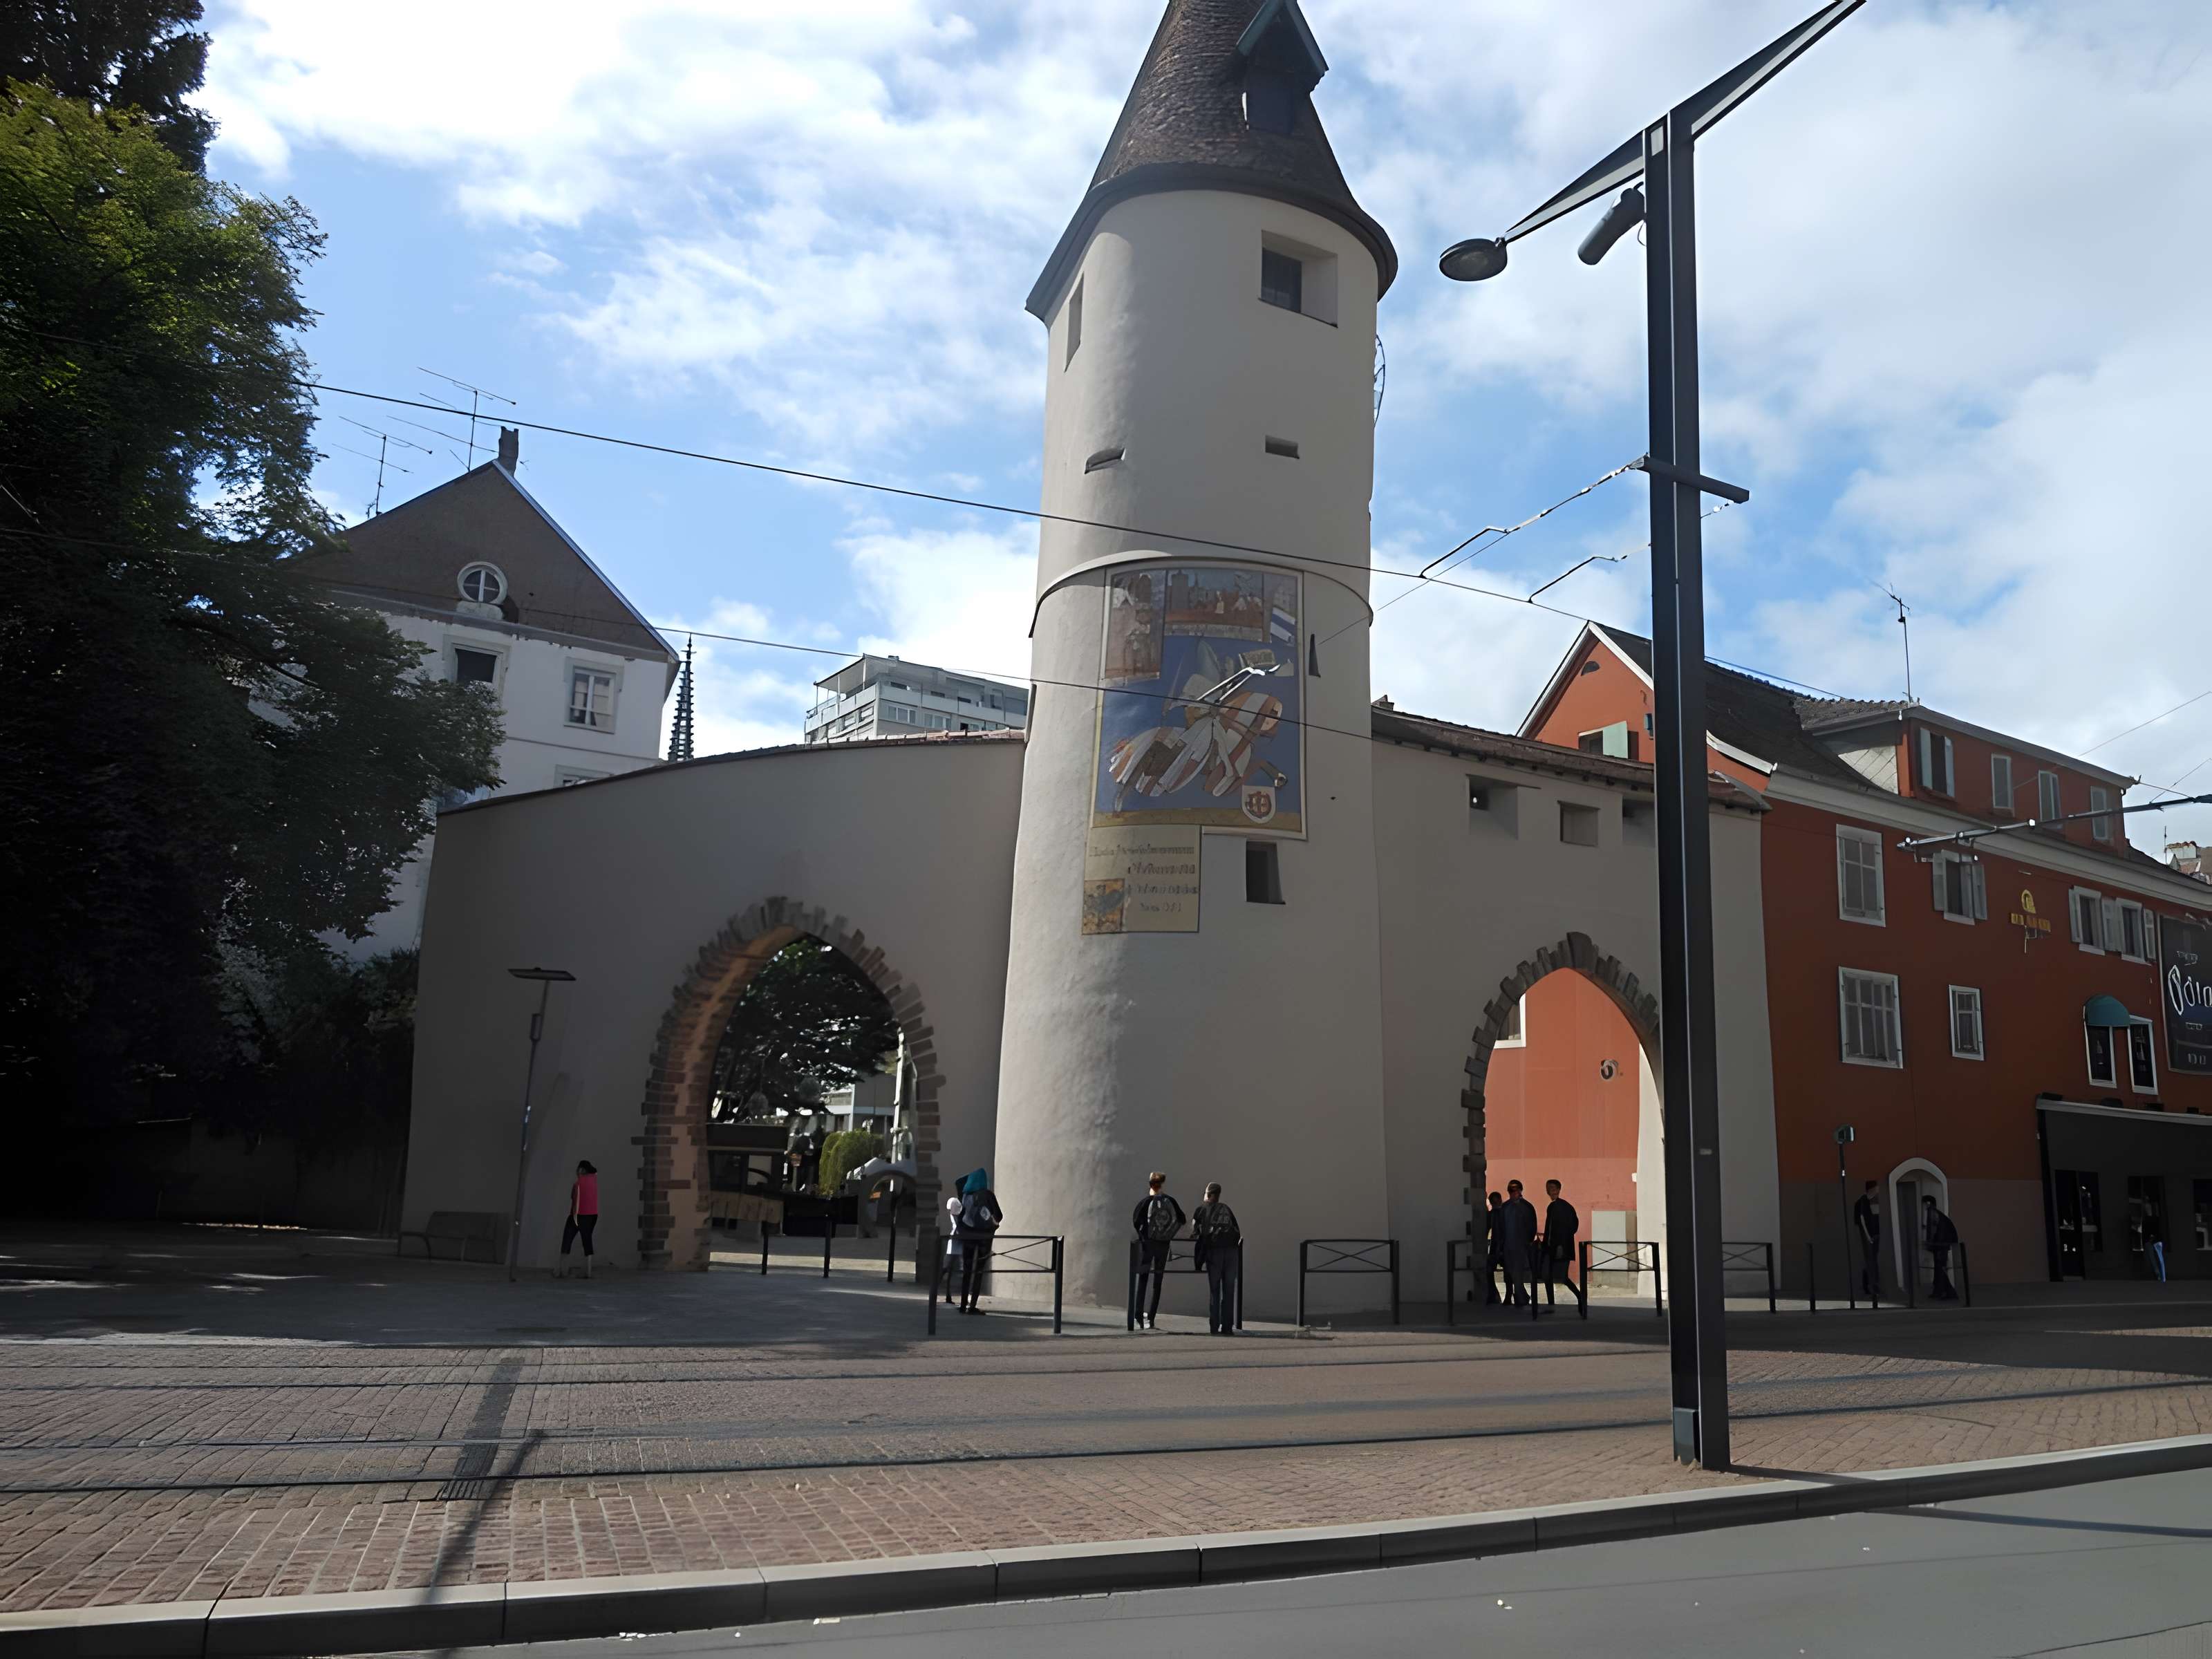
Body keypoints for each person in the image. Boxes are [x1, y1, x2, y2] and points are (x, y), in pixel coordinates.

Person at [1132, 1172, 1185, 1330]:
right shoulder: (1171, 1201)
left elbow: (1136, 1221)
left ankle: (1138, 1316)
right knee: (1158, 1282)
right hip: (1163, 1245)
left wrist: (1144, 1236)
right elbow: (1181, 1219)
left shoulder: (1145, 1202)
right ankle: (1152, 1317)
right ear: (1162, 1184)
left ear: (1150, 1185)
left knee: (1143, 1279)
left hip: (1148, 1245)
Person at [1192, 1182, 1241, 1334]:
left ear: (1209, 1194)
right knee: (1229, 1290)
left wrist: (1198, 1261)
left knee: (1215, 1290)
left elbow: (1195, 1231)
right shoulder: (1226, 1209)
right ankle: (1227, 1327)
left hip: (1215, 1253)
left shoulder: (1201, 1210)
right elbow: (1237, 1231)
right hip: (1232, 1253)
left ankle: (1214, 1326)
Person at [950, 1168, 1001, 1314]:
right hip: (984, 1238)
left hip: (968, 1237)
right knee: (979, 1271)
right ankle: (972, 1306)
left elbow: (961, 1217)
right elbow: (999, 1215)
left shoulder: (965, 1196)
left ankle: (962, 1305)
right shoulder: (988, 1195)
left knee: (967, 1271)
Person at [1496, 1180, 1539, 1307]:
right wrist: (1500, 1246)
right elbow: (1501, 1228)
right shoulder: (1505, 1207)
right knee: (1509, 1272)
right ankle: (1517, 1296)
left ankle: (1520, 1297)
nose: (1513, 1193)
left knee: (1518, 1273)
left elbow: (1532, 1226)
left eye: (1515, 1190)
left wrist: (1528, 1242)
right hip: (1508, 1245)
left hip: (1521, 1246)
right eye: (1511, 1190)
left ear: (1520, 1190)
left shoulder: (1527, 1207)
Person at [1539, 1179, 1580, 1313]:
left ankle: (1580, 1297)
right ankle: (1553, 1304)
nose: (1550, 1190)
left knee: (1560, 1277)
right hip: (1554, 1248)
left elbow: (1561, 1229)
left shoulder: (1559, 1207)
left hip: (1558, 1248)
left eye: (1552, 1188)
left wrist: (1560, 1246)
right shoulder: (1562, 1206)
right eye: (1548, 1188)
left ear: (1558, 1189)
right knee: (1550, 1276)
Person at [560, 1160, 598, 1279]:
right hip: (592, 1215)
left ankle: (563, 1271)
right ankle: (588, 1271)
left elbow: (573, 1199)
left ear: (581, 1170)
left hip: (577, 1216)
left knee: (567, 1240)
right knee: (587, 1242)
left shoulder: (577, 1184)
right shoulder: (594, 1181)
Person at [1922, 1195, 1959, 1300]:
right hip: (1942, 1246)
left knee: (1940, 1270)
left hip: (1941, 1247)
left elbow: (1936, 1231)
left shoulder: (1933, 1213)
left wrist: (1933, 1245)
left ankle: (1943, 1292)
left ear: (1928, 1204)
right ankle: (1947, 1293)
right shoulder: (1938, 1214)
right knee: (1940, 1270)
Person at [1852, 1180, 1882, 1301]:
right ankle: (1871, 1287)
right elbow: (1862, 1220)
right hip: (1869, 1236)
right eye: (1876, 1188)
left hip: (1874, 1236)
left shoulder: (1871, 1201)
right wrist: (1868, 1236)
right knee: (1870, 1262)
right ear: (1872, 1189)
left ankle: (1869, 1286)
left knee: (1871, 1261)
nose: (1878, 1190)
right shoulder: (1863, 1202)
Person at [1482, 1190, 1505, 1306]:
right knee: (1511, 1274)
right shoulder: (1506, 1213)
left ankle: (1493, 1295)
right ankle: (1514, 1296)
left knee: (1489, 1272)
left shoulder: (1490, 1215)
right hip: (1505, 1247)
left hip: (1495, 1247)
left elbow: (1485, 1232)